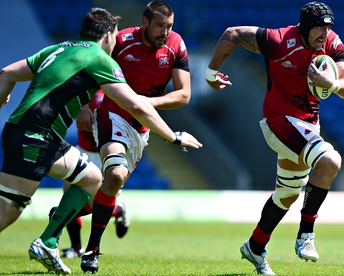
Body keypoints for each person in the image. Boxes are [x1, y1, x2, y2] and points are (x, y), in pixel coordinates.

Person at [0, 7, 202, 275]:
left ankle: (48, 241)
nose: (116, 41)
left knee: (92, 177)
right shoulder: (100, 59)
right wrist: (173, 137)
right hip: (37, 137)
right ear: (108, 36)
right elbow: (137, 107)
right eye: (114, 36)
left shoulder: (57, 49)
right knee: (7, 211)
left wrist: (3, 96)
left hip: (21, 130)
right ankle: (60, 242)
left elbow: (6, 73)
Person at [205, 2, 344, 275]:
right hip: (279, 121)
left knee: (286, 195)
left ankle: (254, 246)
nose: (324, 34)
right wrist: (210, 74)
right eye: (319, 28)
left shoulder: (331, 43)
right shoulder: (278, 40)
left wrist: (331, 85)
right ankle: (305, 235)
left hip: (308, 126)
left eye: (328, 28)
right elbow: (233, 33)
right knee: (331, 161)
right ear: (306, 26)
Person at [79, 1, 192, 273]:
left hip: (141, 127)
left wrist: (146, 104)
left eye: (169, 26)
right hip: (111, 115)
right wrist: (83, 106)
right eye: (160, 25)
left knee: (111, 188)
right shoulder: (121, 41)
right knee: (115, 175)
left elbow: (184, 95)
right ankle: (92, 251)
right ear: (144, 23)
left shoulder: (176, 46)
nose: (165, 32)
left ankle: (63, 214)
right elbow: (87, 69)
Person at [49, 90, 130, 259]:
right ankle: (76, 247)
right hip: (83, 151)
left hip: (105, 154)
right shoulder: (84, 90)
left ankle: (118, 210)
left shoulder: (111, 92)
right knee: (68, 198)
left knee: (97, 202)